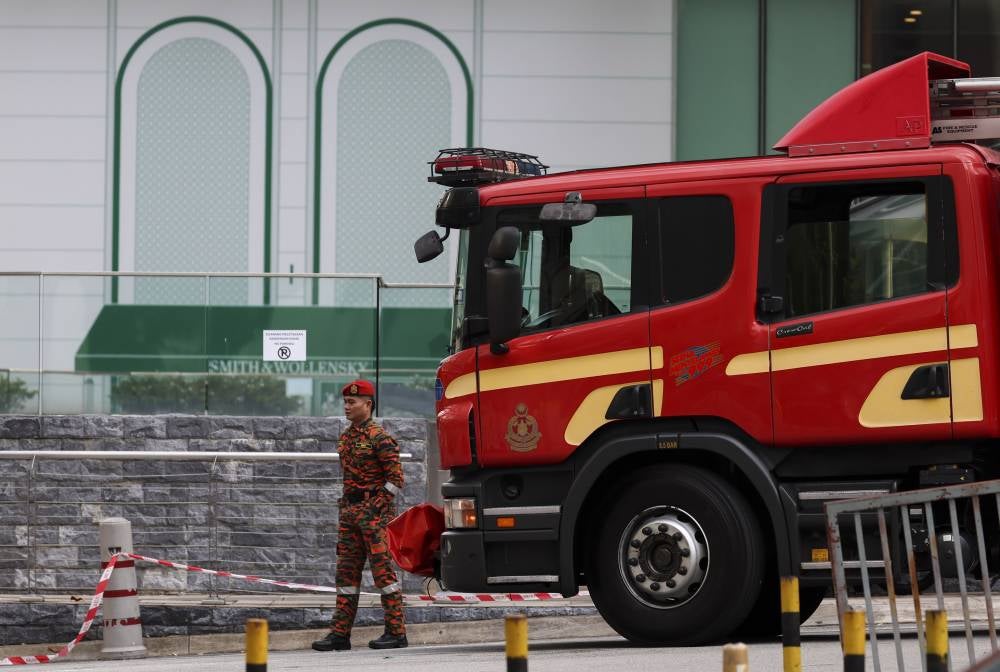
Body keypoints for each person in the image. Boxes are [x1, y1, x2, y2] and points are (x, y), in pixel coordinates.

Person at [312, 380, 408, 651]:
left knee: (383, 575)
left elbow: (395, 480)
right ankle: (340, 635)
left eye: (352, 402)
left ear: (368, 404)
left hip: (374, 516)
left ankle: (396, 632)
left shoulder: (380, 437)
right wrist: (348, 510)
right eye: (345, 402)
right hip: (350, 514)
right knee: (346, 575)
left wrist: (375, 508)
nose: (347, 406)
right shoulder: (347, 436)